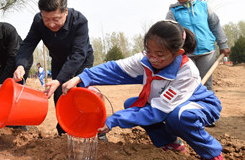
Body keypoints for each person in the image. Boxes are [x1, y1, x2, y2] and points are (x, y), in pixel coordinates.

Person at [59, 20, 223, 160]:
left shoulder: (187, 72)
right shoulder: (145, 60)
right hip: (166, 105)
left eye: (159, 54)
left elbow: (157, 112)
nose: (152, 58)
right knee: (132, 105)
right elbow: (114, 69)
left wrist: (112, 120)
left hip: (199, 104)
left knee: (178, 117)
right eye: (148, 51)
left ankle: (211, 153)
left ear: (177, 52)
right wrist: (81, 78)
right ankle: (170, 143)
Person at [13, 0, 97, 138]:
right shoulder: (39, 21)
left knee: (84, 95)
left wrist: (60, 79)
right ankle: (65, 132)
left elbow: (78, 54)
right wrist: (20, 65)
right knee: (60, 97)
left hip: (82, 61)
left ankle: (95, 131)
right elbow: (28, 44)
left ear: (65, 11)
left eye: (56, 19)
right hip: (59, 61)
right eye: (47, 19)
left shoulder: (79, 21)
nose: (51, 24)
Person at [166, 0, 230, 91]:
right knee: (190, 85)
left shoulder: (204, 6)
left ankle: (208, 108)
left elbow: (215, 25)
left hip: (207, 52)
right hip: (186, 54)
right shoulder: (172, 13)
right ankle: (192, 108)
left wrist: (223, 44)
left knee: (206, 85)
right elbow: (169, 35)